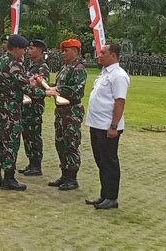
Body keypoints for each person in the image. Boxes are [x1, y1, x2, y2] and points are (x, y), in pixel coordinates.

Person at [0, 34, 46, 191]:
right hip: (10, 109)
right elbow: (25, 87)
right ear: (15, 49)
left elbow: (16, 80)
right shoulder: (14, 64)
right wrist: (46, 93)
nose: (24, 52)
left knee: (0, 141)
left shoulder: (1, 61)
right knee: (11, 142)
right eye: (23, 49)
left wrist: (29, 81)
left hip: (0, 106)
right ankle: (8, 178)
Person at [84, 44, 130, 209]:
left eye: (103, 53)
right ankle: (104, 195)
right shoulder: (104, 73)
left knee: (109, 162)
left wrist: (114, 126)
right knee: (101, 161)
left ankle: (112, 197)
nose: (99, 55)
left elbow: (120, 102)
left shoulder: (118, 76)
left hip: (107, 126)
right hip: (96, 124)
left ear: (114, 56)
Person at [44, 39, 87, 191]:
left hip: (71, 112)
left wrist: (57, 90)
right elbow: (60, 86)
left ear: (75, 51)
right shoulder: (65, 68)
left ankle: (72, 177)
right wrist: (49, 87)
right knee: (60, 142)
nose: (63, 53)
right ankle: (64, 174)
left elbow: (76, 91)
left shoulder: (79, 69)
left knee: (71, 143)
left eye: (66, 50)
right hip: (61, 111)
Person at [18, 39, 50, 176]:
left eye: (32, 49)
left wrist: (26, 85)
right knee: (27, 135)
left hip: (34, 107)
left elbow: (39, 86)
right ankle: (31, 163)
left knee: (34, 136)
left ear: (40, 51)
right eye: (28, 49)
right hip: (26, 106)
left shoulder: (42, 67)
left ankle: (36, 165)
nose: (28, 51)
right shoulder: (30, 66)